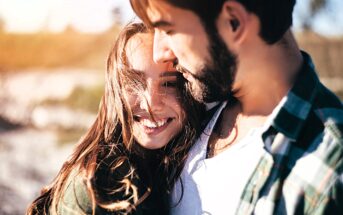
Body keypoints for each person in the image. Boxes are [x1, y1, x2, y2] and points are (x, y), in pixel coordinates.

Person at [130, 0, 343, 214]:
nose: (160, 54)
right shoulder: (193, 109)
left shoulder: (330, 173)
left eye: (168, 30)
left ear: (233, 22)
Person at [26, 22, 205, 215]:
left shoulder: (168, 165)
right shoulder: (98, 188)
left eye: (170, 83)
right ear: (115, 89)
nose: (151, 104)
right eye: (134, 81)